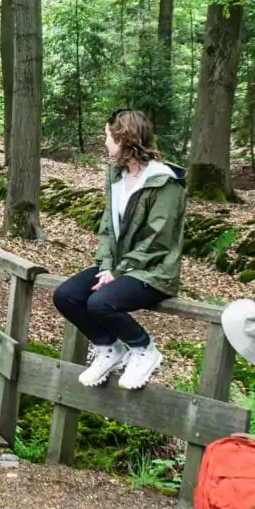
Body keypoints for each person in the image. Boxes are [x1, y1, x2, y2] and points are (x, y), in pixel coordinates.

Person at [52, 108, 186, 390]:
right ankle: (110, 349)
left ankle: (144, 349)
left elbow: (158, 239)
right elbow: (107, 229)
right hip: (120, 267)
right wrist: (105, 266)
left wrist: (119, 270)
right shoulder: (116, 177)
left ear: (124, 138)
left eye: (108, 137)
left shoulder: (164, 182)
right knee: (66, 295)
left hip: (154, 270)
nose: (105, 143)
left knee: (100, 303)